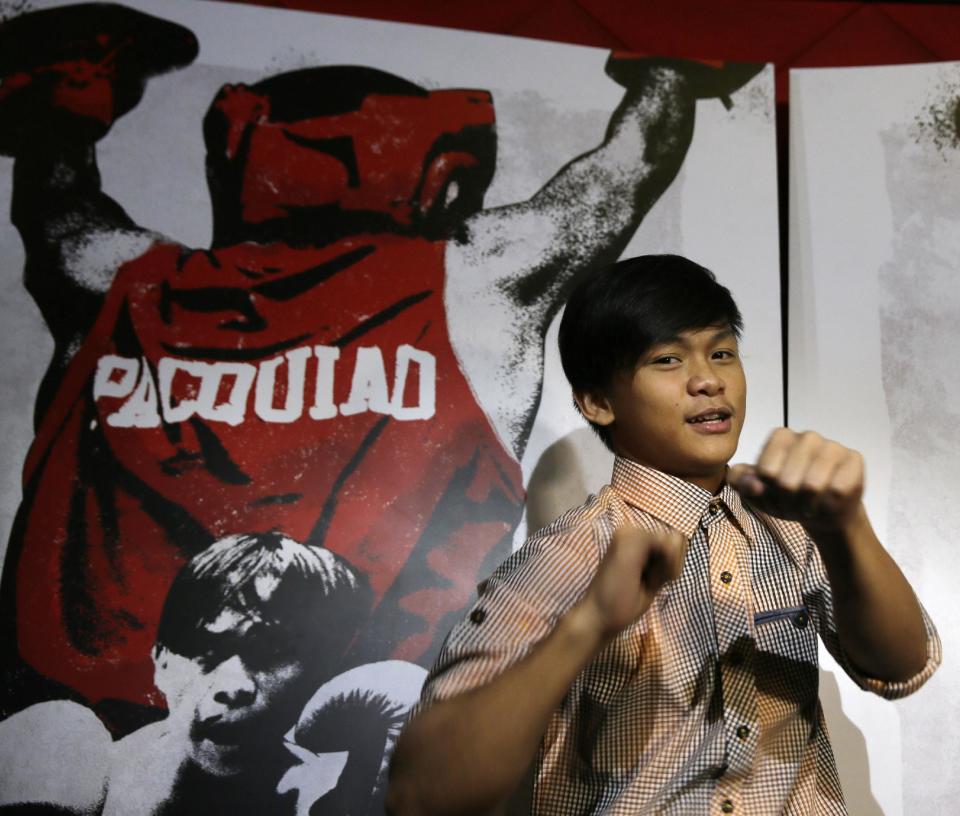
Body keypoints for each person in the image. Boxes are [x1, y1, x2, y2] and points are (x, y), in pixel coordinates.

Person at [0, 1, 764, 722]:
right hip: (372, 746)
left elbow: (57, 210)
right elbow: (612, 184)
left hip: (93, 735)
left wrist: (69, 102)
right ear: (437, 170)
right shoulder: (474, 280)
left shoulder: (119, 281)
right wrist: (671, 77)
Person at [386, 255, 941, 815]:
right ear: (598, 402)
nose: (709, 380)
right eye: (668, 359)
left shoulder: (792, 526)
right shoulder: (564, 557)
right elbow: (422, 797)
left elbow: (901, 669)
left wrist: (844, 527)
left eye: (722, 353)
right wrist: (589, 624)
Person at [0, 531, 427, 814]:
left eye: (271, 652)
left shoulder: (324, 795)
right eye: (207, 650)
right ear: (161, 662)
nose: (233, 687)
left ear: (321, 672)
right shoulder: (79, 771)